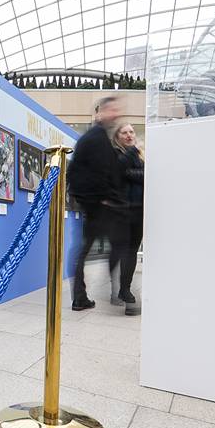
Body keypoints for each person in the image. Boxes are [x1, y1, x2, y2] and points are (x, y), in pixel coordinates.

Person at [67, 96, 130, 312]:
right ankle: (88, 295)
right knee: (86, 250)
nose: (115, 113)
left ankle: (90, 295)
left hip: (100, 206)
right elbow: (77, 174)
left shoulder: (101, 138)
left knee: (106, 247)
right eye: (111, 110)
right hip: (96, 207)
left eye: (117, 110)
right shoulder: (94, 138)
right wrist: (98, 199)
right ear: (100, 112)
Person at [108, 120, 144, 307]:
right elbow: (119, 170)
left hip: (139, 210)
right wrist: (133, 152)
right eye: (125, 133)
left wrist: (132, 173)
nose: (130, 135)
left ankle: (123, 288)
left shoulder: (138, 158)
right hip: (122, 211)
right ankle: (121, 289)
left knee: (131, 251)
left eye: (132, 132)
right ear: (117, 137)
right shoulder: (116, 153)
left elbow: (145, 176)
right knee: (124, 251)